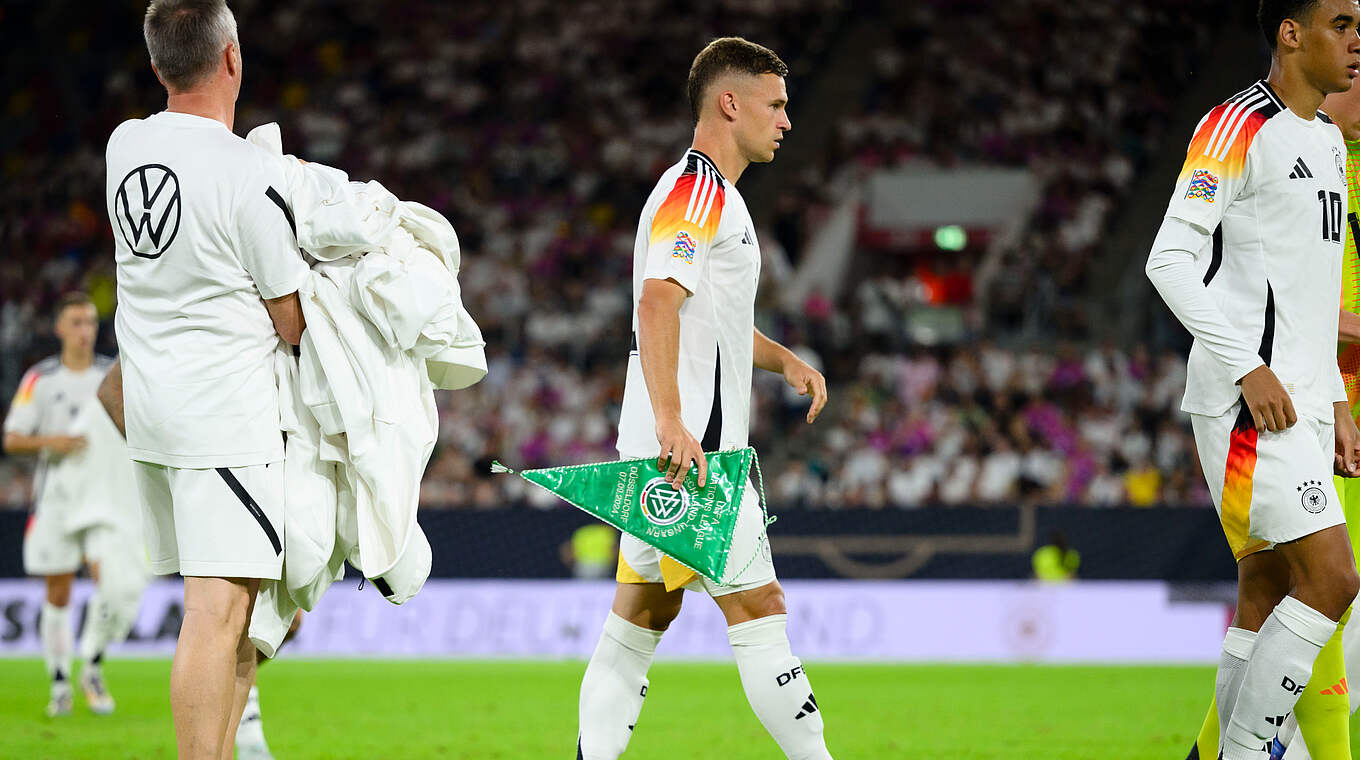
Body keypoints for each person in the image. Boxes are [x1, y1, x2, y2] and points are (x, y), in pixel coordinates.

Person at [575, 37, 832, 760]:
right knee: (761, 610)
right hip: (694, 459)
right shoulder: (697, 190)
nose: (786, 120)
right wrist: (671, 422)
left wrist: (782, 361)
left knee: (636, 623)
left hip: (660, 456)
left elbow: (706, 318)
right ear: (730, 102)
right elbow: (657, 303)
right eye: (776, 104)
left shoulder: (713, 194)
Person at [1146, 2, 1360, 758]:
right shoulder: (1234, 125)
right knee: (1333, 580)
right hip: (1246, 404)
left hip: (1301, 401)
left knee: (1267, 594)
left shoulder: (1329, 141)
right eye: (1341, 22)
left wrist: (1334, 398)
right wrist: (1250, 366)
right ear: (1290, 33)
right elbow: (1168, 260)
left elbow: (1310, 296)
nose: (1357, 39)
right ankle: (1244, 752)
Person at [104, 1, 308, 757]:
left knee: (233, 613)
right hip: (223, 419)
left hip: (153, 414)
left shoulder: (124, 146)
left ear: (158, 67)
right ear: (232, 58)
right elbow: (291, 319)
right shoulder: (247, 171)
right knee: (216, 615)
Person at [1267, 56, 1360, 760]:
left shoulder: (1337, 155)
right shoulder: (1289, 149)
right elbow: (1277, 294)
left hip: (1336, 407)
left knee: (1309, 603)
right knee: (1321, 590)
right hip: (1312, 414)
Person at [3, 292, 146, 718]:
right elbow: (12, 439)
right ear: (59, 329)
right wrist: (53, 441)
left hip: (107, 499)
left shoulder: (114, 376)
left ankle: (94, 665)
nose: (86, 331)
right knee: (58, 591)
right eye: (76, 323)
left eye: (90, 322)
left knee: (115, 584)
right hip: (58, 499)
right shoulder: (40, 380)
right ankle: (60, 681)